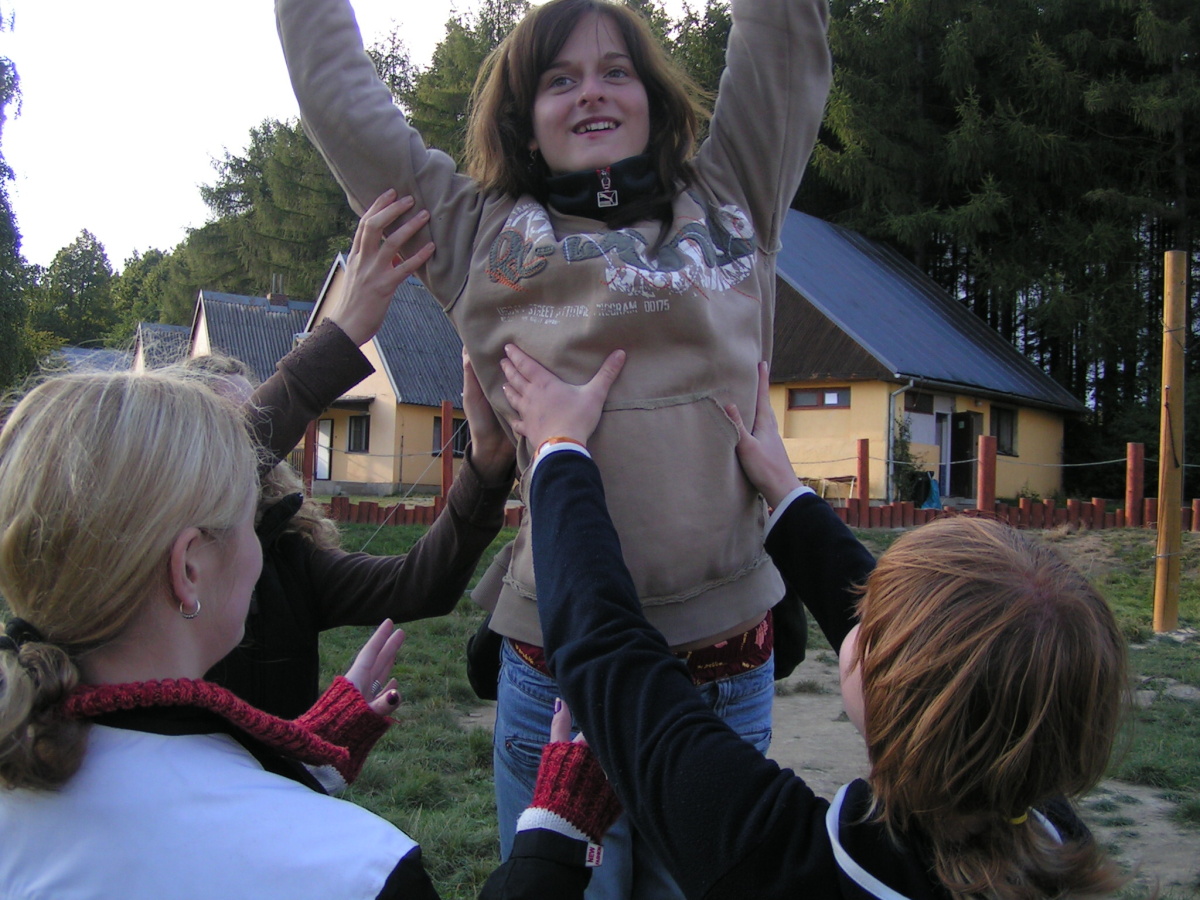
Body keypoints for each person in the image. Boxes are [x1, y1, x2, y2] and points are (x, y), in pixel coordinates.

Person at [275, 0, 832, 889]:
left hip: (723, 665)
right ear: (524, 119)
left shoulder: (734, 197)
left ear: (652, 97)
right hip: (560, 676)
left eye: (616, 72)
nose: (591, 93)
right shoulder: (478, 235)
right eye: (560, 80)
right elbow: (343, 102)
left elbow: (784, 42)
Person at [499, 343, 1130, 900]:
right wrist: (786, 489)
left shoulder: (785, 865)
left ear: (887, 694)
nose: (856, 616)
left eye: (872, 626)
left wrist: (559, 448)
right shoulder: (1034, 798)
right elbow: (945, 645)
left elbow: (608, 654)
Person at [0, 370, 438, 899]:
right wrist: (533, 843)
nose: (258, 549)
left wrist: (291, 763)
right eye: (249, 522)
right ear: (189, 570)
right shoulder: (361, 871)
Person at [189, 193, 518, 724]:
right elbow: (214, 471)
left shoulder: (287, 558)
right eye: (232, 426)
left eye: (251, 417)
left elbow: (420, 585)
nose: (249, 436)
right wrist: (341, 334)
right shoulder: (144, 540)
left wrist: (487, 465)